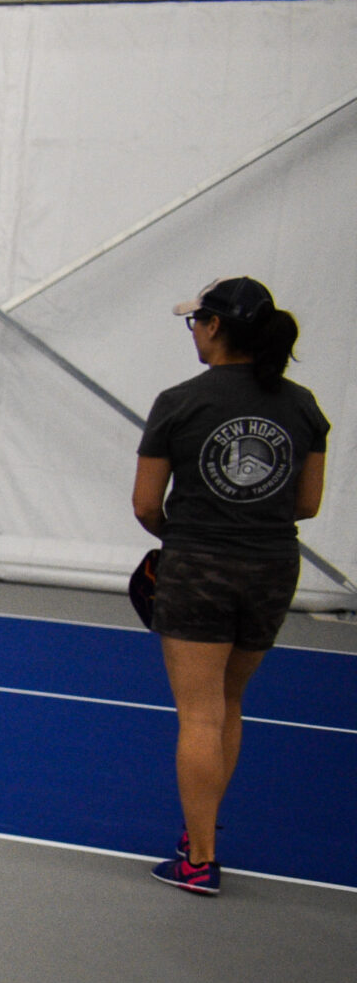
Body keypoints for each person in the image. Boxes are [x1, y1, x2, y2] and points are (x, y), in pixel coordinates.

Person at [133, 276, 329, 896]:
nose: (191, 329)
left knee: (198, 714)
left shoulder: (179, 401)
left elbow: (144, 505)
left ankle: (199, 859)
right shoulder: (302, 406)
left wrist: (184, 534)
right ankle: (202, 836)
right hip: (272, 569)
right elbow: (309, 504)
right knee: (229, 705)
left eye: (195, 321)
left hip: (199, 569)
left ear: (215, 326)